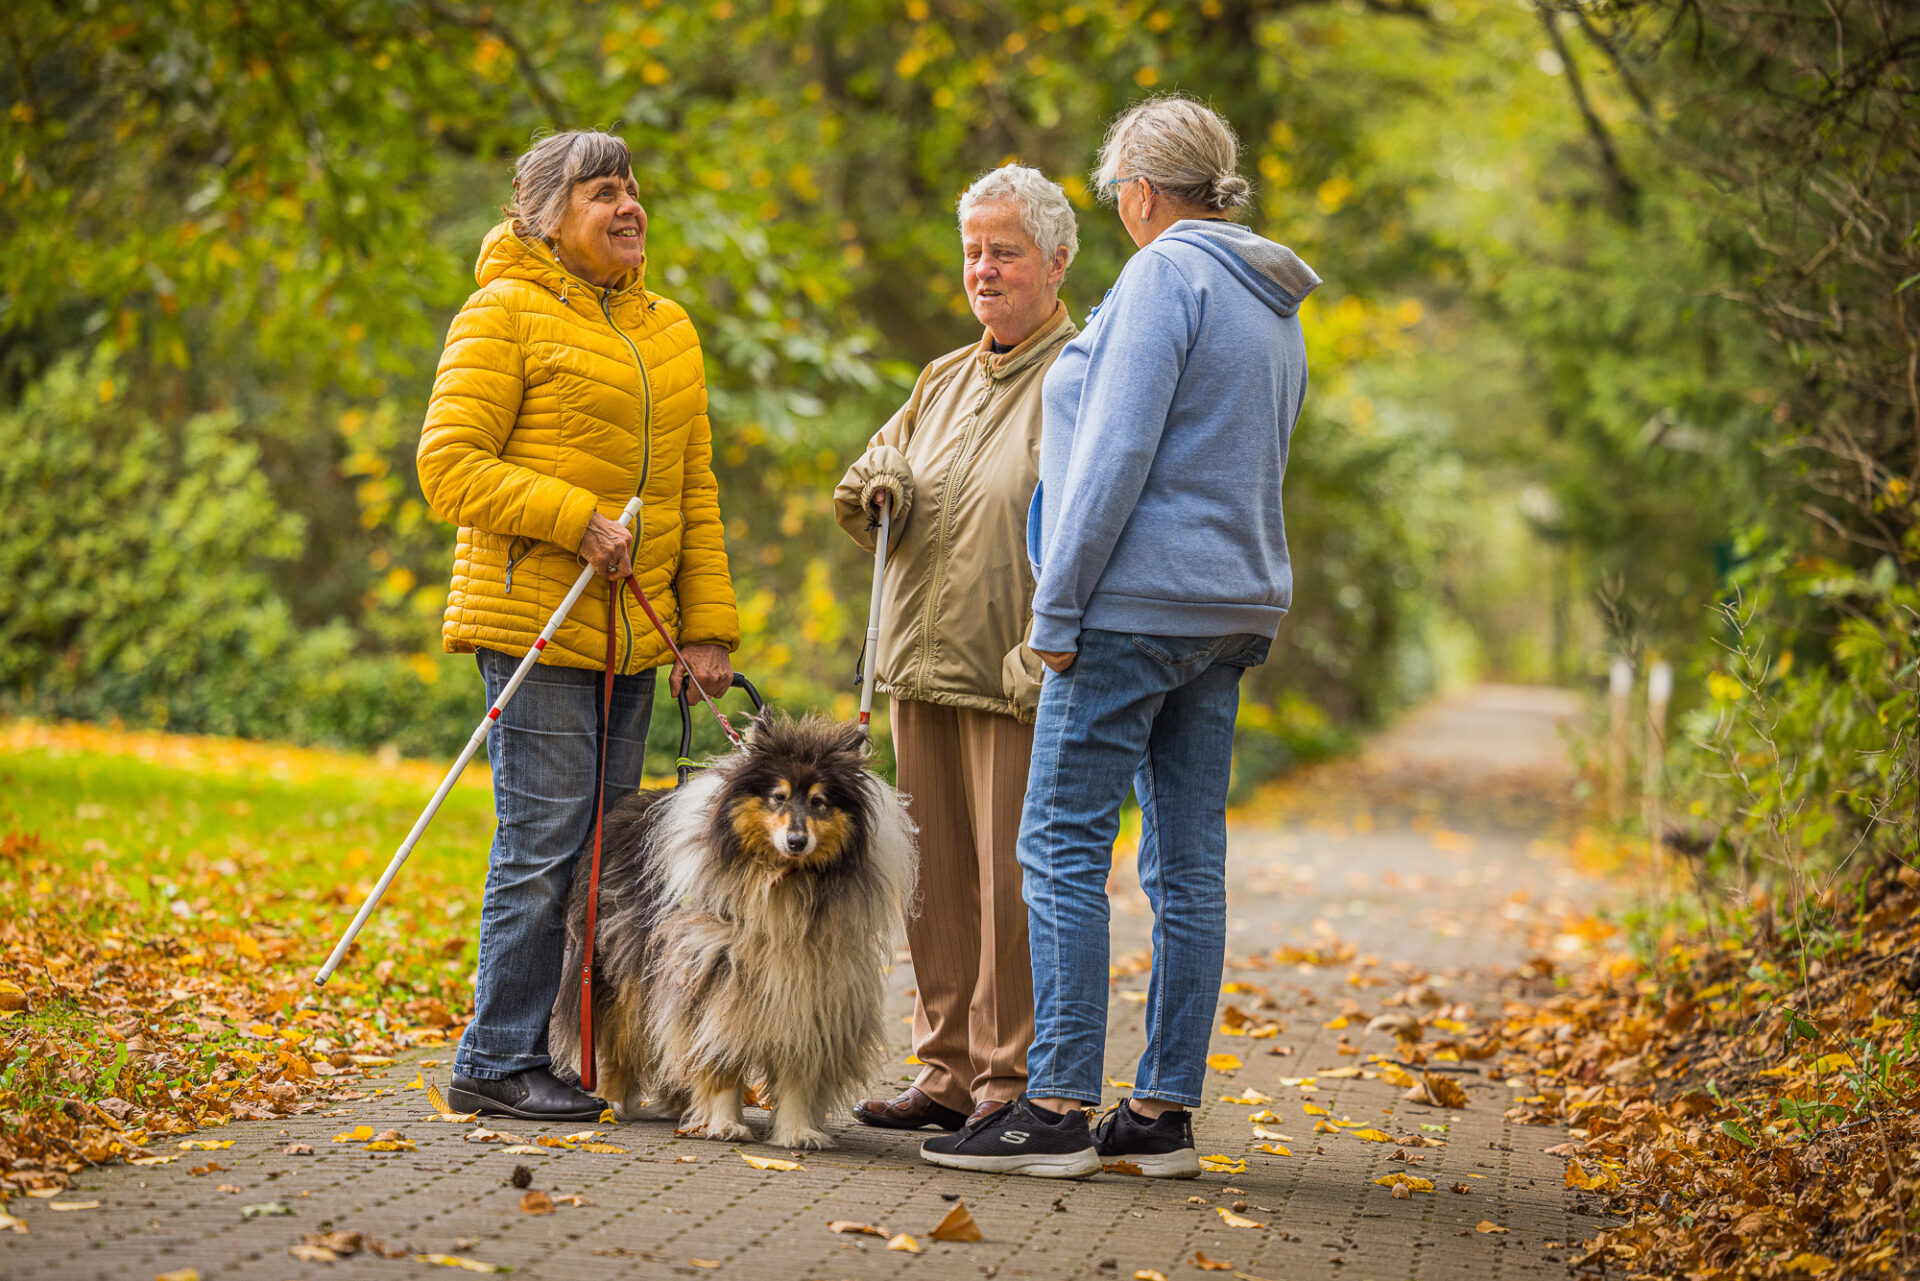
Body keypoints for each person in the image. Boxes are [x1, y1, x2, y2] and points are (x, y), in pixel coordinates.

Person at [920, 97, 1320, 1179]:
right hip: (1229, 608)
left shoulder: (1164, 276)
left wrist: (1057, 614)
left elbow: (1112, 458)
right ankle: (1160, 1117)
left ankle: (1051, 1104)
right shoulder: (1271, 295)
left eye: (1116, 194)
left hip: (1135, 611)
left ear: (1141, 191)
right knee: (1188, 865)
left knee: (1057, 846)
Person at [417, 129, 739, 1121]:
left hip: (633, 639)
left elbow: (691, 488)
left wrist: (706, 628)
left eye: (632, 189)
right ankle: (495, 1057)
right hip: (538, 630)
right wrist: (573, 519)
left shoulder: (669, 331)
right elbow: (449, 465)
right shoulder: (500, 313)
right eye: (603, 193)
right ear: (544, 220)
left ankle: (581, 1053)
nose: (628, 206)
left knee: (606, 857)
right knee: (543, 844)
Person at [836, 164, 1080, 1133]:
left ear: (1058, 262)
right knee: (930, 879)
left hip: (1015, 670)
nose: (984, 270)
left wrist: (1051, 647)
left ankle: (1005, 1080)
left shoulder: (1079, 373)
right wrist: (880, 482)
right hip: (918, 666)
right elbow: (869, 478)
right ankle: (941, 1072)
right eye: (973, 251)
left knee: (1009, 885)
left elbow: (1096, 521)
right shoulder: (942, 376)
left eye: (1005, 252)